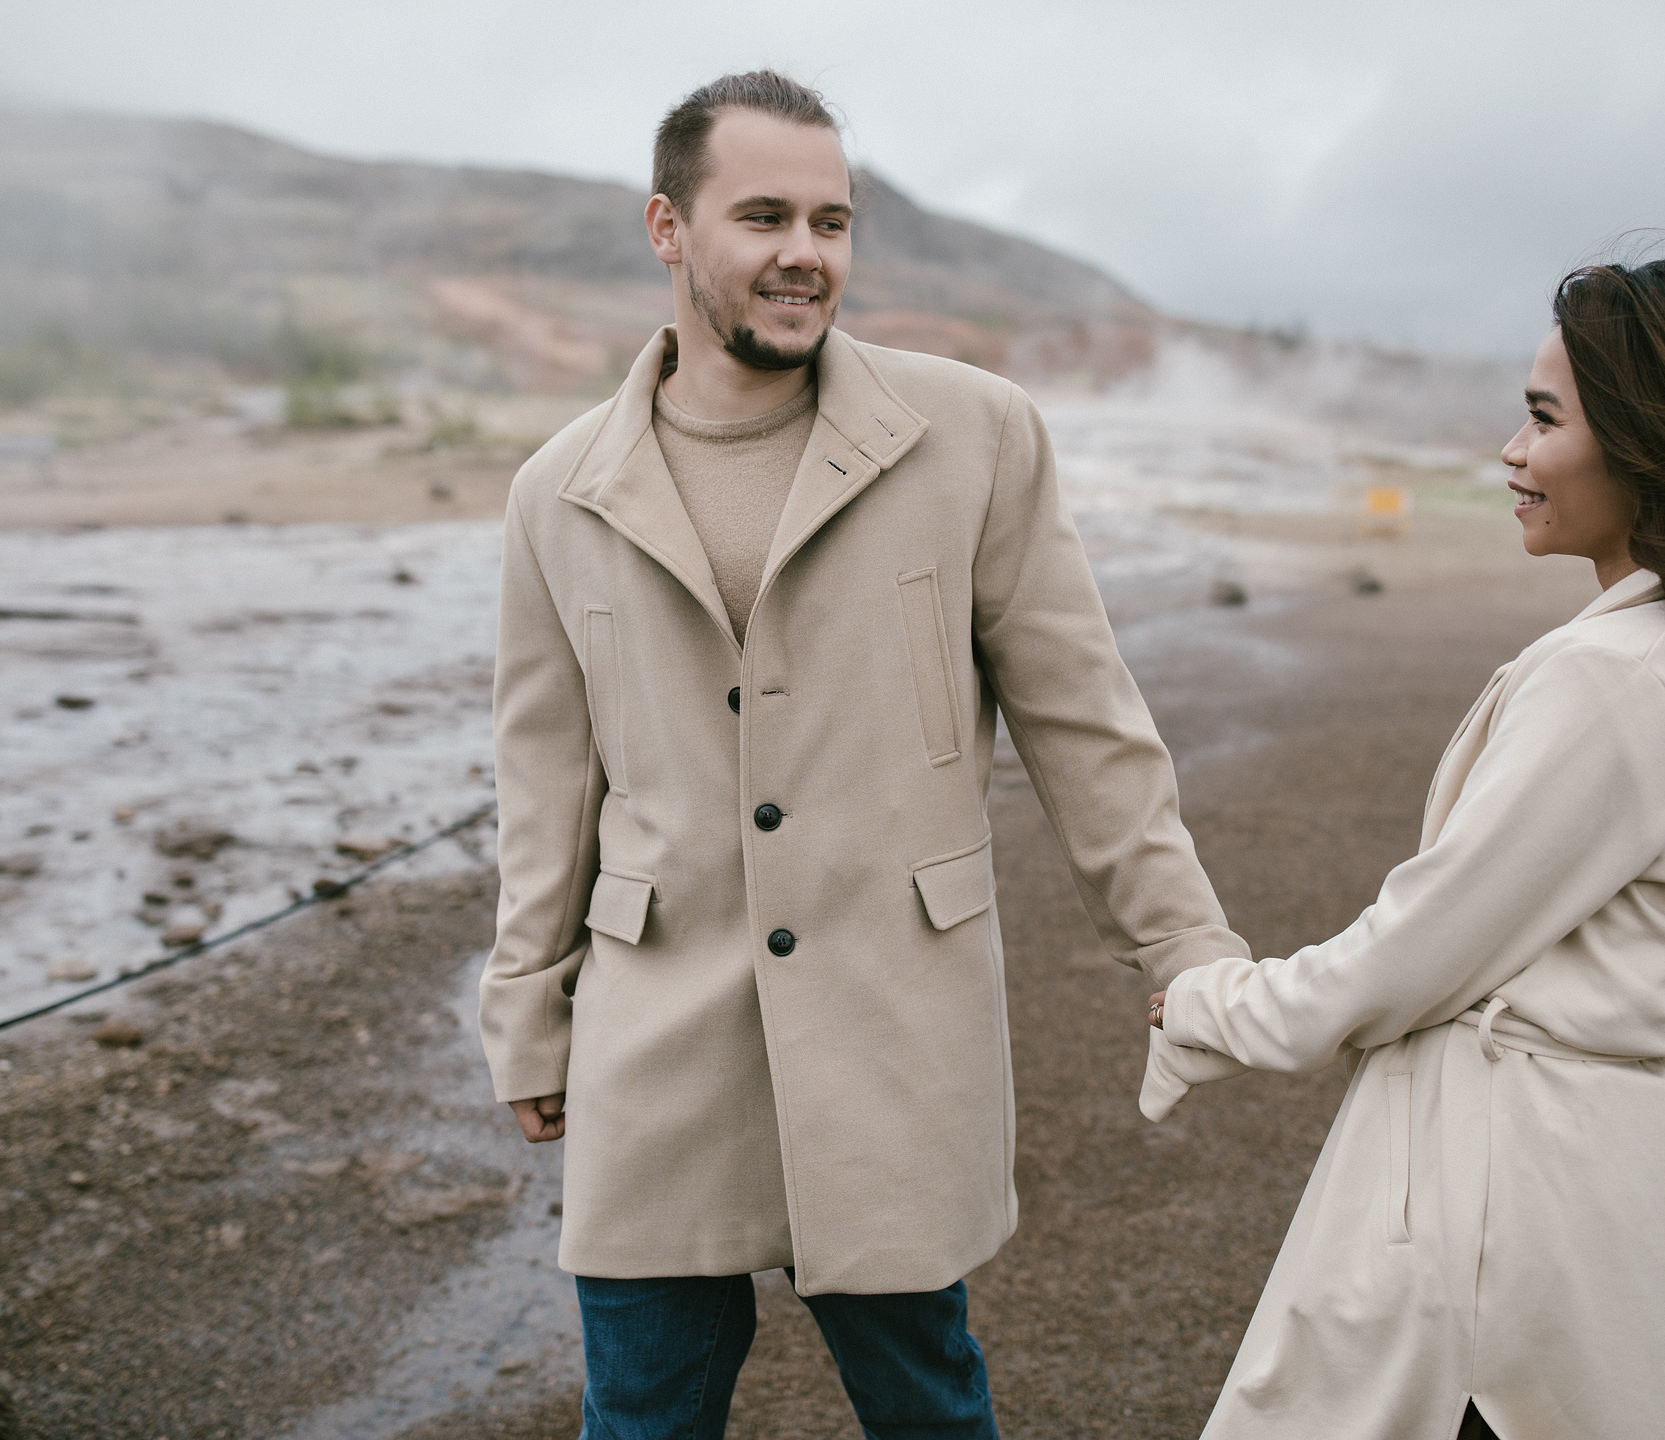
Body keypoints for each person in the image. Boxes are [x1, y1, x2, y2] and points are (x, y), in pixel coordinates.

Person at [480, 70, 1246, 1438]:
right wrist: (527, 1009)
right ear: (667, 227)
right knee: (639, 1416)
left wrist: (1180, 944)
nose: (804, 255)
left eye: (831, 222)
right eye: (763, 215)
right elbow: (547, 784)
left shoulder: (975, 435)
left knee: (929, 1410)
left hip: (893, 1023)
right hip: (657, 1035)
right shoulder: (555, 495)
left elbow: (1086, 723)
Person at [1142, 259, 1665, 1440]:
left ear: (1656, 445)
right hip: (1607, 1183)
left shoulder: (1616, 678)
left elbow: (1419, 949)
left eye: (1544, 419)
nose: (1511, 451)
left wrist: (1212, 1005)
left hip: (1513, 1203)